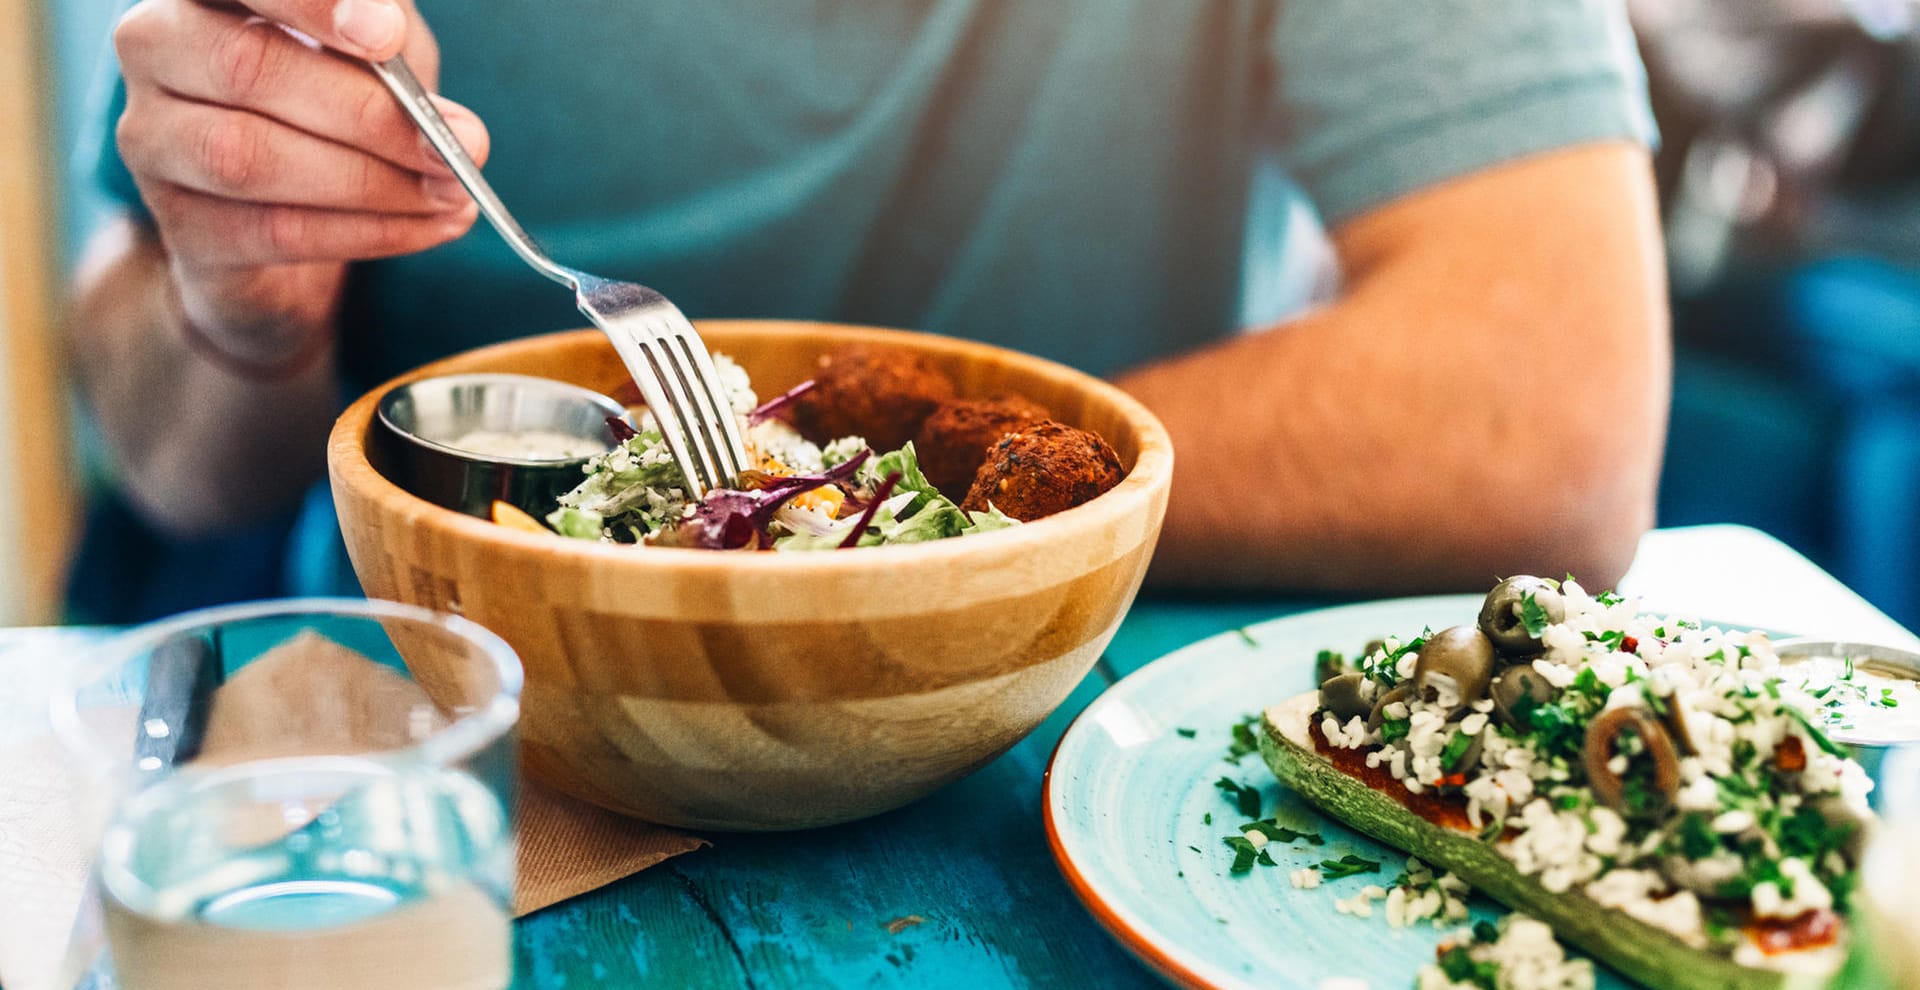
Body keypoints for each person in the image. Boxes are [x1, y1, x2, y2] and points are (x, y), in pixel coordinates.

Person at [68, 0, 1669, 609]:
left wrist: (884, 521)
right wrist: (245, 314)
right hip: (440, 746)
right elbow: (167, 446)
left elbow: (1550, 415)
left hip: (1074, 737)